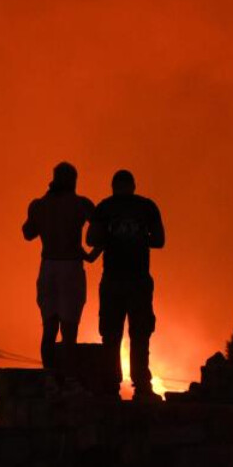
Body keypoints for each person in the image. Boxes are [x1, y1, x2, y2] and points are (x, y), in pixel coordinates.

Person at [86, 169, 165, 401]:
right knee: (140, 334)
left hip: (113, 280)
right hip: (138, 280)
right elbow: (160, 240)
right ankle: (141, 386)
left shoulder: (105, 207)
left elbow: (91, 239)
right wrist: (139, 238)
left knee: (111, 335)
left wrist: (112, 237)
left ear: (113, 186)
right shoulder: (147, 207)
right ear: (133, 185)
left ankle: (111, 387)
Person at [22, 162, 98, 388]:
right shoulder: (81, 204)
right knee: (69, 330)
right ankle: (71, 380)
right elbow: (99, 232)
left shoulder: (39, 205)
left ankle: (50, 379)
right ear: (74, 180)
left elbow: (28, 233)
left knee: (49, 327)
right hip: (70, 267)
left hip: (48, 267)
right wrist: (91, 254)